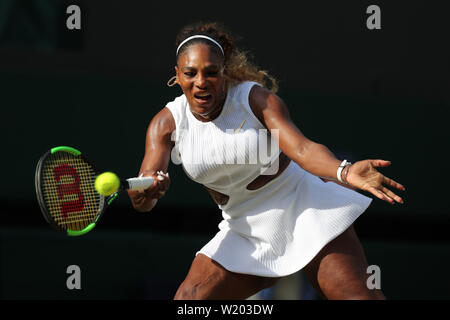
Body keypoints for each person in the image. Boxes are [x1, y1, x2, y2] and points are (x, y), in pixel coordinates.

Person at [127, 21, 405, 300]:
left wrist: (344, 171)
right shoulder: (165, 124)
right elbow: (145, 195)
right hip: (244, 229)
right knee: (191, 300)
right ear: (177, 75)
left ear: (224, 72)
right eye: (190, 73)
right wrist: (148, 193)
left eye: (211, 72)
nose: (201, 82)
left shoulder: (255, 100)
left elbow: (303, 151)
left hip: (304, 209)